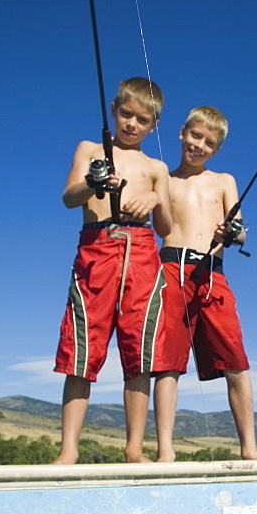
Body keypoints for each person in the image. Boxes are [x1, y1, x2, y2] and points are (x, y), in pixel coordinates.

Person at [53, 77, 172, 464]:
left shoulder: (157, 167)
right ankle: (68, 450)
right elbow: (70, 198)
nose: (132, 124)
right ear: (113, 110)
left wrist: (156, 198)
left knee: (138, 352)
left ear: (153, 126)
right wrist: (93, 182)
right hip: (96, 249)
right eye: (126, 114)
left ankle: (134, 448)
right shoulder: (90, 149)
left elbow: (166, 228)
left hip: (141, 252)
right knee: (82, 346)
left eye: (142, 119)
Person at [154, 106, 257, 462]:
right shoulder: (163, 178)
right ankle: (165, 452)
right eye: (195, 136)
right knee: (167, 363)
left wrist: (231, 233)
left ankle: (250, 449)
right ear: (182, 132)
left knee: (236, 361)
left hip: (212, 272)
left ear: (217, 150)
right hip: (169, 269)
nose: (199, 145)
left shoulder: (224, 180)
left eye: (209, 142)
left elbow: (240, 232)